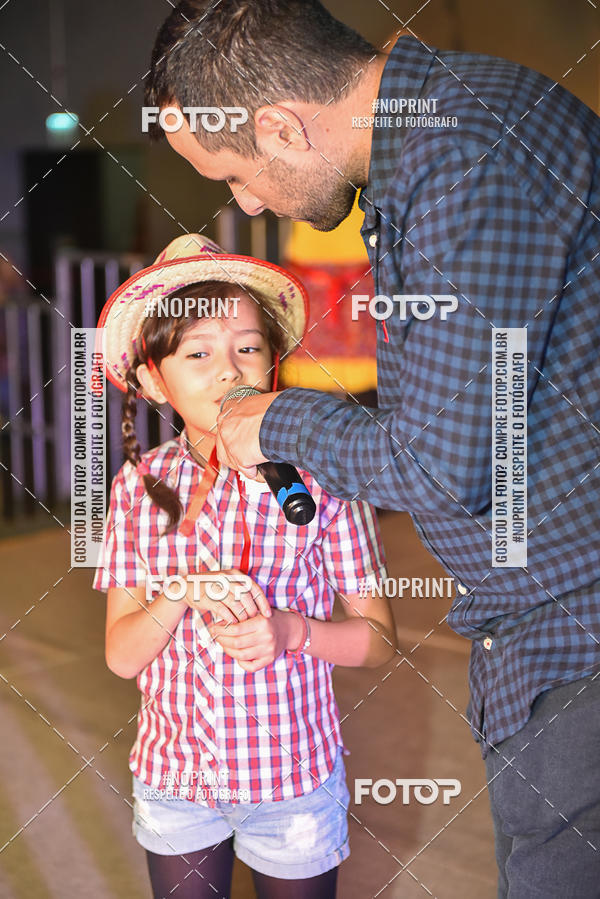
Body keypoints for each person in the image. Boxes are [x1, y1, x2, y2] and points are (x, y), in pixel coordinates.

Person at [144, 2, 600, 895]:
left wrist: (271, 421)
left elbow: (437, 460)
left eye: (235, 173)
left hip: (574, 633)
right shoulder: (446, 136)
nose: (244, 201)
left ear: (279, 123)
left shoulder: (465, 160)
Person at [93, 233, 396, 899]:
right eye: (198, 352)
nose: (229, 369)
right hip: (177, 783)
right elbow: (121, 654)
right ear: (150, 378)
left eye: (248, 348)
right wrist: (176, 591)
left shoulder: (320, 480)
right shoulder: (138, 488)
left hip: (293, 783)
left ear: (273, 364)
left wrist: (293, 633)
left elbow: (379, 640)